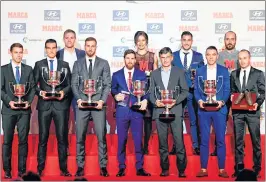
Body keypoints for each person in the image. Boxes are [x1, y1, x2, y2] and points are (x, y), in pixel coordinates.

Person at [71, 37, 111, 177]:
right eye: (87, 46)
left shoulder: (104, 63)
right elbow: (74, 84)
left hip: (98, 105)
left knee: (101, 136)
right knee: (80, 137)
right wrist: (79, 99)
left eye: (92, 46)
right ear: (85, 47)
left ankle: (103, 166)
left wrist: (102, 100)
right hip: (82, 105)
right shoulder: (77, 63)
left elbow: (107, 85)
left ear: (96, 47)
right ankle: (80, 166)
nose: (90, 48)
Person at [33, 39, 72, 177]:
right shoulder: (39, 64)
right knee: (43, 138)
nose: (51, 50)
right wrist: (40, 92)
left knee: (62, 138)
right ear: (45, 49)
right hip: (44, 105)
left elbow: (70, 84)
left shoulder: (64, 65)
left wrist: (63, 92)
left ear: (57, 49)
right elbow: (34, 84)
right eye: (48, 48)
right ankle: (40, 168)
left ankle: (64, 169)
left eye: (53, 48)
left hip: (61, 106)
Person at [111, 49, 151, 177]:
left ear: (135, 60)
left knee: (138, 140)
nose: (130, 61)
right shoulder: (116, 75)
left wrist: (145, 100)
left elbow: (146, 91)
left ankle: (140, 167)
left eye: (132, 58)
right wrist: (115, 96)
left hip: (136, 111)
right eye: (127, 58)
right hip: (122, 111)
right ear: (124, 59)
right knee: (121, 140)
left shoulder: (141, 74)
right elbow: (113, 89)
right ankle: (121, 167)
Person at [149, 47, 188, 177]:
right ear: (160, 59)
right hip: (160, 110)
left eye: (167, 57)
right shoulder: (154, 74)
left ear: (172, 58)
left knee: (179, 142)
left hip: (175, 110)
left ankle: (181, 170)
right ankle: (164, 169)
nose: (165, 60)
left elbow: (185, 91)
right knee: (162, 142)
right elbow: (150, 93)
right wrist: (156, 102)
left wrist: (175, 101)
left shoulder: (179, 72)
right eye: (163, 58)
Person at [194, 46, 230, 178]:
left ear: (217, 56)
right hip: (204, 110)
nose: (210, 57)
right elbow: (196, 91)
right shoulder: (200, 71)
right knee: (204, 140)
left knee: (220, 140)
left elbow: (227, 90)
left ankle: (222, 169)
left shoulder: (224, 71)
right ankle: (203, 169)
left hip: (219, 110)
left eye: (213, 54)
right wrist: (199, 102)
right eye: (208, 54)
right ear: (205, 56)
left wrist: (222, 102)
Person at [1, 43, 36, 179]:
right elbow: (1, 89)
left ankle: (22, 170)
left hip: (24, 111)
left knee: (23, 141)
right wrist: (9, 101)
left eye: (21, 52)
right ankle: (7, 170)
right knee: (7, 142)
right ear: (10, 53)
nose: (19, 55)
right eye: (16, 52)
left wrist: (28, 101)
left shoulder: (28, 69)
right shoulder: (3, 69)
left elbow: (32, 88)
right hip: (9, 110)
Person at [230, 50, 265, 178]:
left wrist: (258, 103)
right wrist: (231, 98)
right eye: (240, 58)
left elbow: (262, 92)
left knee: (256, 141)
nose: (242, 61)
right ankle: (239, 169)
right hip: (238, 112)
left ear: (249, 58)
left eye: (245, 58)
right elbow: (232, 91)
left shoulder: (258, 73)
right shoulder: (234, 74)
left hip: (252, 112)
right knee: (238, 142)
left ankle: (257, 169)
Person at [171, 31, 204, 155]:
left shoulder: (199, 56)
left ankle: (196, 146)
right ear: (181, 41)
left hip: (192, 92)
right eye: (184, 40)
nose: (186, 42)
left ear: (192, 41)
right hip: (178, 93)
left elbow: (202, 75)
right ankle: (176, 145)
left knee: (194, 120)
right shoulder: (173, 56)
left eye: (188, 40)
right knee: (176, 120)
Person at [57, 29, 86, 155]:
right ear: (64, 39)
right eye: (67, 37)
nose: (69, 40)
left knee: (80, 119)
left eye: (72, 37)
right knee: (63, 121)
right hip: (63, 90)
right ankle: (65, 148)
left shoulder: (82, 53)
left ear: (75, 39)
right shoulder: (57, 54)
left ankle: (80, 149)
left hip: (78, 90)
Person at [211, 30, 240, 156]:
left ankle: (239, 148)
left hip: (237, 93)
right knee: (219, 121)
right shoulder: (219, 56)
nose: (229, 41)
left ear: (235, 40)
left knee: (238, 120)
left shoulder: (240, 55)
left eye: (232, 39)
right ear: (224, 40)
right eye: (227, 39)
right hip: (222, 92)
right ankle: (218, 147)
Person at [134, 31, 158, 155]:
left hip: (149, 90)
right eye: (139, 40)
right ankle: (138, 145)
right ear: (135, 42)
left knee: (148, 119)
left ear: (146, 41)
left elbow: (156, 74)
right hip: (136, 91)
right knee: (137, 119)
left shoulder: (153, 56)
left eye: (143, 40)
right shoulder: (132, 56)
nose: (141, 43)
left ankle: (146, 145)